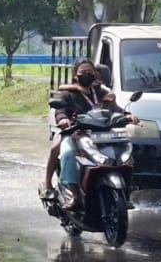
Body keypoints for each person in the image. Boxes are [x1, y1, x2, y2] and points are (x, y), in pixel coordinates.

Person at [41, 59, 118, 206]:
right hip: (74, 133)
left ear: (95, 74)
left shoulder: (101, 92)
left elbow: (114, 107)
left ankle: (121, 192)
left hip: (99, 134)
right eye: (83, 72)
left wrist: (126, 115)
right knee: (64, 152)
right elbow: (60, 110)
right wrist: (63, 119)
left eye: (90, 72)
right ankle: (65, 191)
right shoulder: (68, 94)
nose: (87, 75)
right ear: (76, 76)